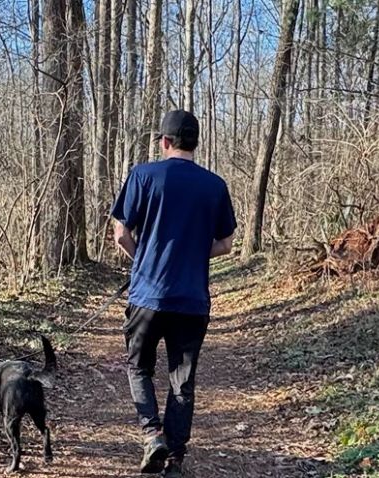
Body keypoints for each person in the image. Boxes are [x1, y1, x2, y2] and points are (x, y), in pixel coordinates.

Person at [110, 110, 237, 477]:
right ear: (196, 143)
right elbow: (227, 243)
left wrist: (142, 261)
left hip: (147, 296)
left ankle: (152, 436)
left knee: (138, 367)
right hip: (192, 300)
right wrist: (195, 254)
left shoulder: (143, 176)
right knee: (182, 380)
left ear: (164, 142)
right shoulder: (215, 186)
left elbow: (120, 233)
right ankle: (176, 459)